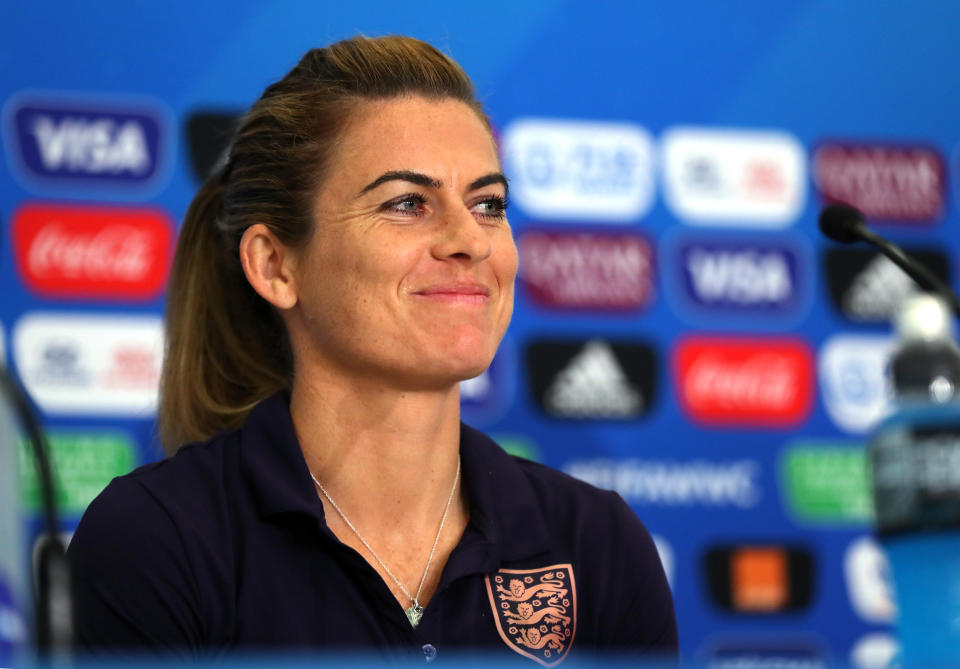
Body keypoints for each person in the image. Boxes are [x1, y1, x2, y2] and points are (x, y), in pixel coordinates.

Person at [67, 35, 677, 664]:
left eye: (489, 204)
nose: (471, 239)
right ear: (275, 265)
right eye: (408, 204)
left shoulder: (597, 542)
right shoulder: (155, 537)